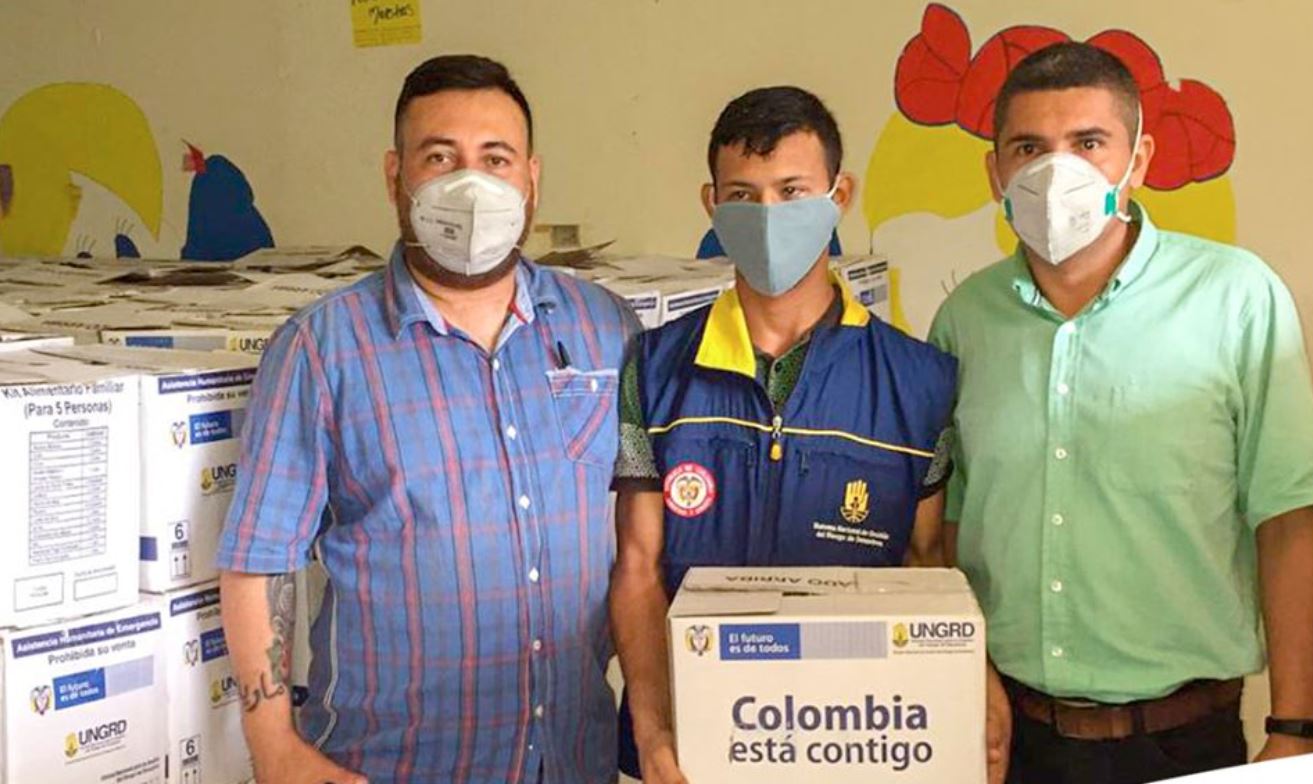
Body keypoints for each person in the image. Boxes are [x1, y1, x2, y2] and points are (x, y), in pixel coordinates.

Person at [216, 54, 638, 784]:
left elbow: (640, 543)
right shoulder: (322, 350)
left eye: (494, 158)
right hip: (392, 767)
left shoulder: (606, 330)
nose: (469, 185)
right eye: (440, 158)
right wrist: (274, 748)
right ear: (395, 177)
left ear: (531, 180)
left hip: (573, 762)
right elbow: (259, 562)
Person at [930, 42, 1313, 784]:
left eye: (1087, 143)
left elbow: (1291, 514)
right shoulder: (963, 320)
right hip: (1011, 737)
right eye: (1028, 147)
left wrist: (1300, 727)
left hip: (1185, 740)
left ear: (1137, 160)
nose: (1057, 171)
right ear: (996, 173)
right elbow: (950, 522)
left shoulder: (1236, 297)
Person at [609, 86, 961, 783]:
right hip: (694, 746)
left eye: (793, 191)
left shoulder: (920, 383)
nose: (768, 217)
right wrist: (651, 730)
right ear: (711, 205)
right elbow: (638, 567)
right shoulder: (653, 369)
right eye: (743, 195)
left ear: (840, 194)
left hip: (857, 740)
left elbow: (927, 567)